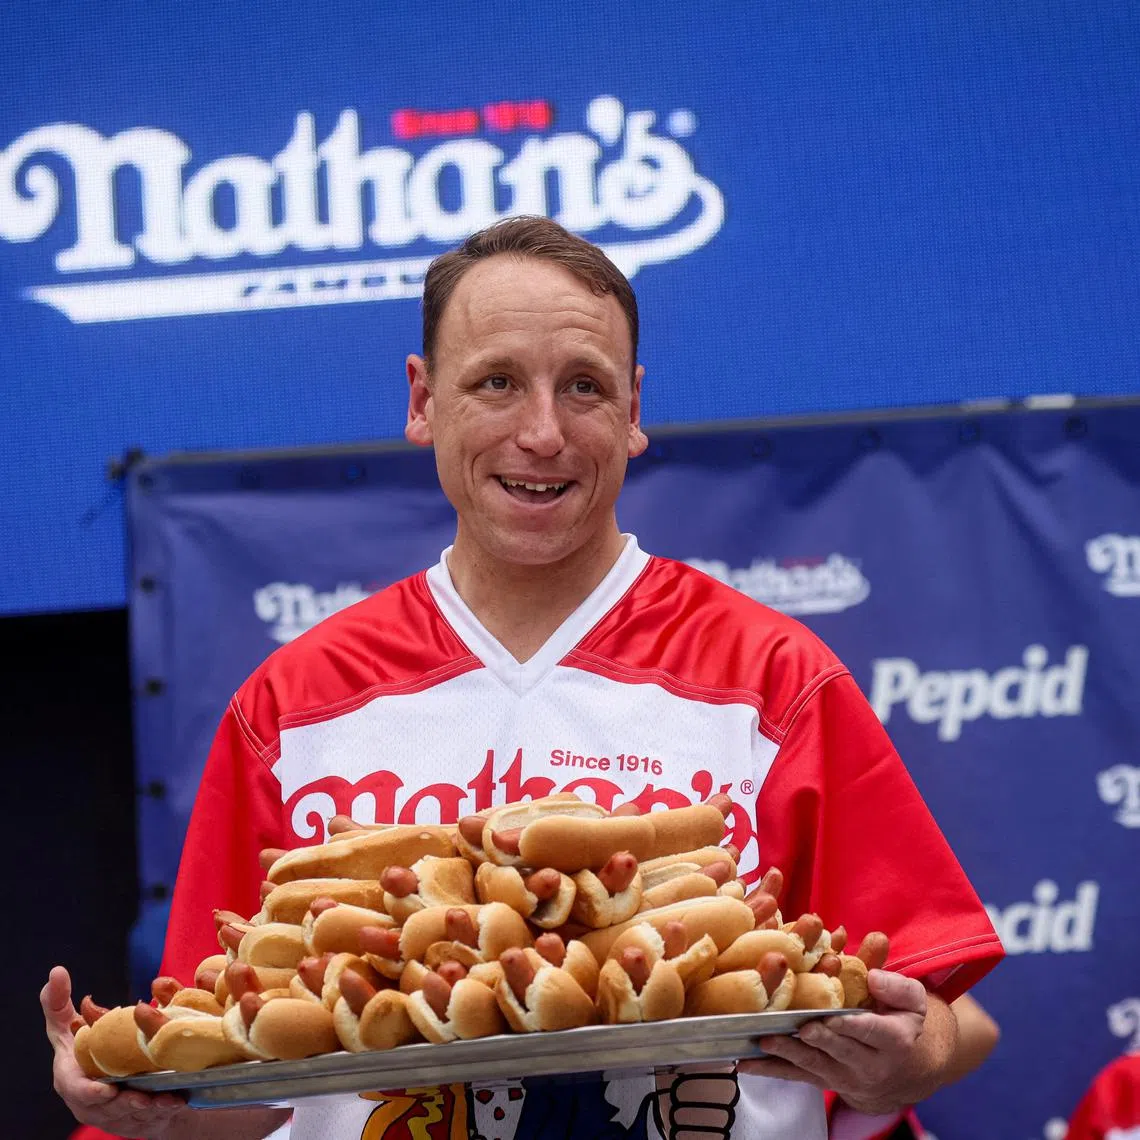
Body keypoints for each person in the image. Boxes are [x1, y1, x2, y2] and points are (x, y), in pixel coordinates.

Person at [43, 215, 1004, 1140]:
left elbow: (951, 1018)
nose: (541, 432)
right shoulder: (290, 706)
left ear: (633, 410)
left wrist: (907, 1061)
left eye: (583, 388)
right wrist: (152, 1106)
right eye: (496, 382)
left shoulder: (774, 678)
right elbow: (248, 1082)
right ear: (423, 400)